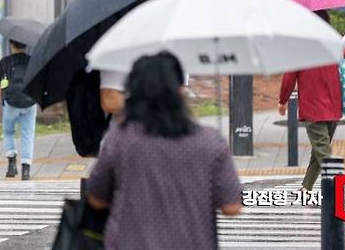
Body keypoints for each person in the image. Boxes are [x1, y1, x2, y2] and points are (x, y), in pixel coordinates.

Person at [86, 52, 242, 249]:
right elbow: (232, 206)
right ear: (181, 91)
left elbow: (96, 199)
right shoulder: (210, 141)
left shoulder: (119, 139)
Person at [278, 10, 345, 192]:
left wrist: (282, 100)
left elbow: (289, 76)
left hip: (313, 107)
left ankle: (338, 189)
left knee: (322, 152)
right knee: (319, 151)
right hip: (333, 107)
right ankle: (306, 189)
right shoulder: (335, 44)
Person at [0, 40, 37, 180]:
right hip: (30, 102)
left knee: (8, 132)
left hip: (11, 103)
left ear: (11, 45)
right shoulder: (33, 61)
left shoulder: (5, 62)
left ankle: (11, 164)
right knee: (27, 134)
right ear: (26, 45)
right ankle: (26, 169)